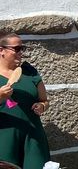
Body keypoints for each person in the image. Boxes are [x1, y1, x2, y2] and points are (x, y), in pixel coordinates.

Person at [0, 32, 51, 169]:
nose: (20, 52)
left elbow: (45, 100)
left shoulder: (30, 72)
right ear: (1, 50)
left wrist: (41, 106)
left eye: (22, 48)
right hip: (5, 138)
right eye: (16, 49)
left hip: (33, 137)